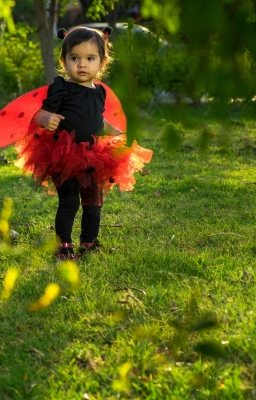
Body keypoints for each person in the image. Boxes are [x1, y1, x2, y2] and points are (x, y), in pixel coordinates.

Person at [14, 26, 152, 260]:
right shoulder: (61, 88)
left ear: (102, 62)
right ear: (64, 60)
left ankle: (88, 242)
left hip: (94, 155)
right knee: (69, 202)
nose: (82, 64)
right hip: (64, 155)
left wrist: (116, 133)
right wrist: (46, 118)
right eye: (75, 58)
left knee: (93, 202)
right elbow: (38, 114)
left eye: (90, 58)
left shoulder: (99, 92)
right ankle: (64, 245)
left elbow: (99, 121)